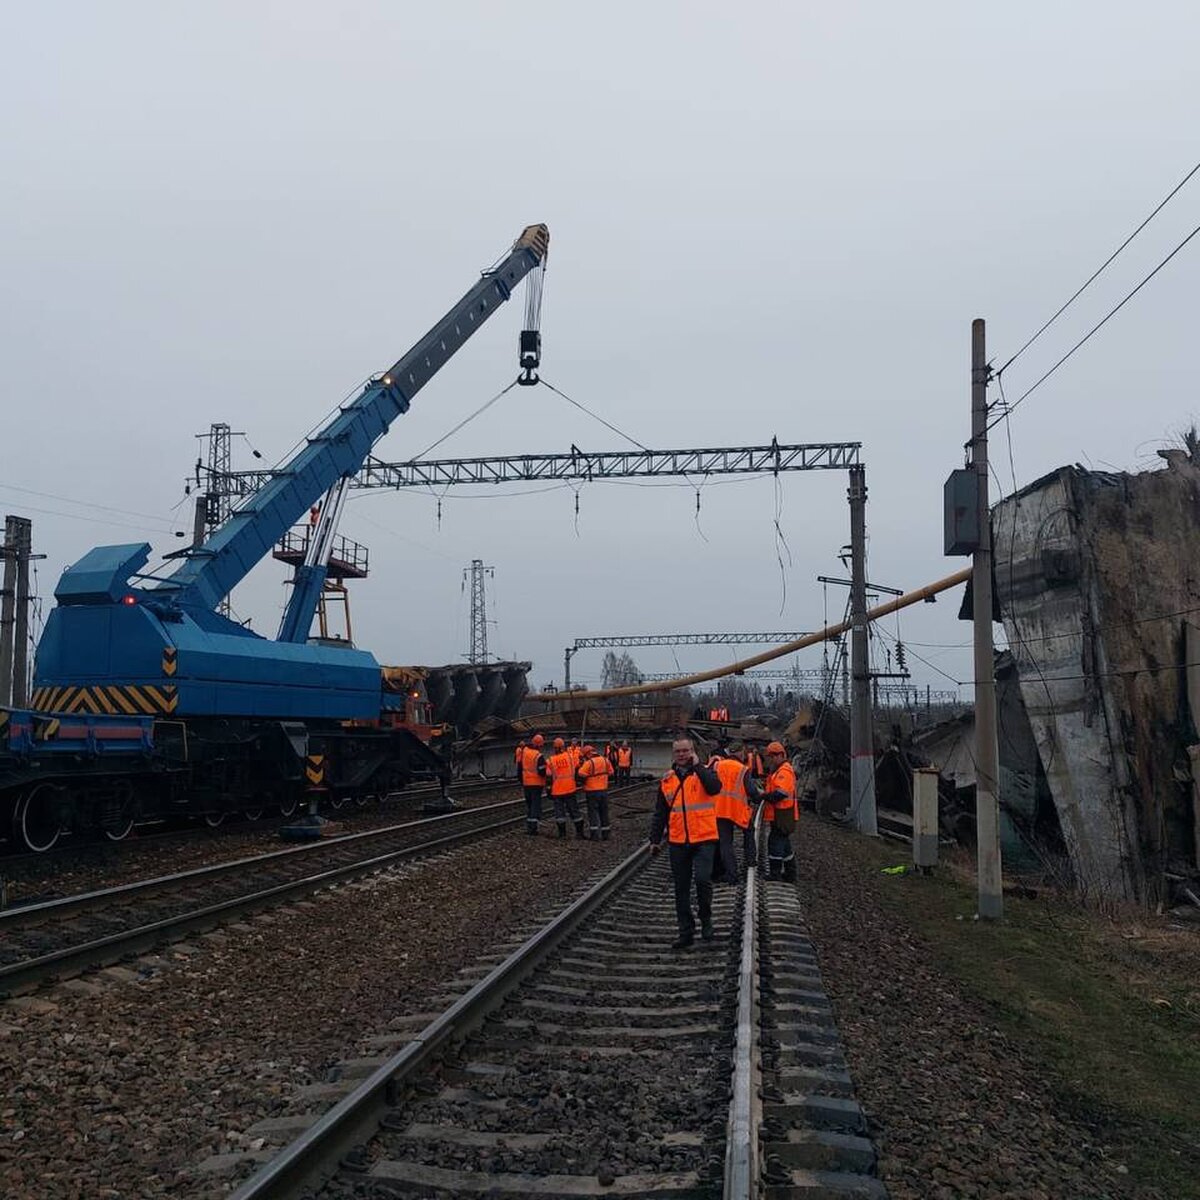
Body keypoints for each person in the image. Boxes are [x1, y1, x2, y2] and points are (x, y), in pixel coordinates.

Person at [649, 737, 721, 949]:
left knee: (702, 880)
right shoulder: (667, 780)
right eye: (678, 751)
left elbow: (715, 788)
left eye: (686, 750)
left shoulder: (705, 772)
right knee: (681, 889)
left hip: (704, 838)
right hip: (678, 841)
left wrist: (698, 766)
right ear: (674, 754)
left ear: (693, 751)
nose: (682, 754)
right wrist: (654, 840)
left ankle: (706, 919)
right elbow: (660, 813)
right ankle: (685, 932)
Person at [710, 741, 759, 882]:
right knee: (749, 831)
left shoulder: (718, 765)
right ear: (739, 753)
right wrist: (758, 798)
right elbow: (751, 790)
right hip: (737, 809)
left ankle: (731, 874)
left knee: (725, 843)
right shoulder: (743, 769)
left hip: (720, 809)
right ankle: (750, 860)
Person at [761, 741, 797, 881]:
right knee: (785, 844)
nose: (771, 759)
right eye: (770, 756)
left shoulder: (784, 771)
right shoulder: (779, 770)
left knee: (775, 842)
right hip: (781, 814)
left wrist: (765, 796)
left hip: (783, 814)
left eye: (773, 756)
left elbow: (780, 793)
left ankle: (775, 874)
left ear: (781, 755)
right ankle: (790, 874)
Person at [546, 737, 586, 839]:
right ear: (563, 747)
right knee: (575, 811)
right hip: (570, 789)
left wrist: (548, 789)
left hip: (557, 791)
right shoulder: (570, 757)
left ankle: (562, 834)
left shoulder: (550, 760)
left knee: (560, 814)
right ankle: (580, 833)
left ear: (554, 748)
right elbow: (578, 765)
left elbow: (548, 777)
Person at [577, 744, 614, 840]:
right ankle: (606, 834)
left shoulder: (589, 763)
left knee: (593, 813)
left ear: (587, 754)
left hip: (592, 792)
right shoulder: (605, 760)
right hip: (604, 791)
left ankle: (595, 835)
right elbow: (611, 773)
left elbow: (580, 774)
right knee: (604, 812)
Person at [518, 734, 548, 835]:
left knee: (530, 805)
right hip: (536, 784)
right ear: (539, 745)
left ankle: (529, 825)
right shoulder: (538, 756)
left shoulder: (524, 752)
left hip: (526, 784)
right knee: (535, 806)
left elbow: (519, 768)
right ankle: (533, 829)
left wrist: (521, 780)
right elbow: (542, 772)